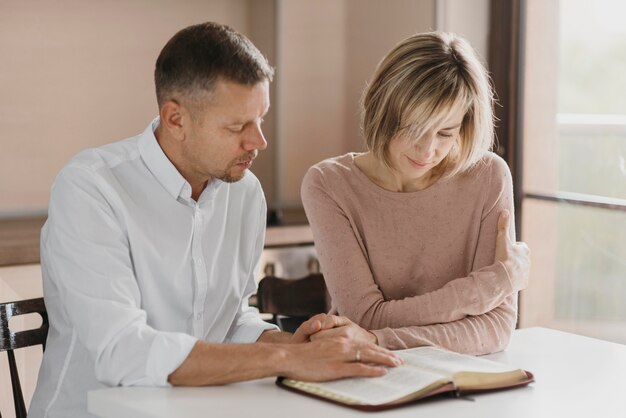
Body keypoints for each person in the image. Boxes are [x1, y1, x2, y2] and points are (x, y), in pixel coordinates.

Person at [29, 22, 401, 418]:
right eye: (237, 126)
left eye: (261, 119)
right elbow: (123, 353)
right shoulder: (91, 188)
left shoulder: (244, 193)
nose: (258, 141)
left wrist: (289, 344)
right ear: (175, 119)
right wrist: (284, 361)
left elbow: (228, 319)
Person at [301, 32, 531, 355]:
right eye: (414, 129)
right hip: (370, 377)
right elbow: (365, 317)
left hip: (460, 381)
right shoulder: (328, 185)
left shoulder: (488, 178)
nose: (427, 150)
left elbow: (495, 328)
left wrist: (380, 340)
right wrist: (493, 284)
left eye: (445, 133)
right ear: (382, 110)